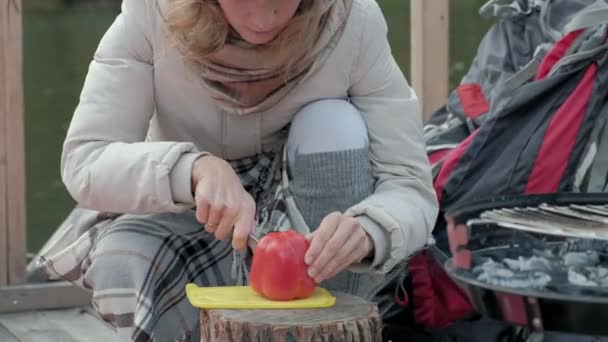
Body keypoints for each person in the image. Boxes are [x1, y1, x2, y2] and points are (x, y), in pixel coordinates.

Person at [38, 0, 438, 340]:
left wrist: (371, 229)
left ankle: (320, 326)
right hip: (187, 208)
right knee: (122, 256)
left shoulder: (352, 19)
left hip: (305, 217)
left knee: (333, 123)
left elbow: (410, 186)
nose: (263, 20)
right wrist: (192, 168)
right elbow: (85, 161)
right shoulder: (150, 13)